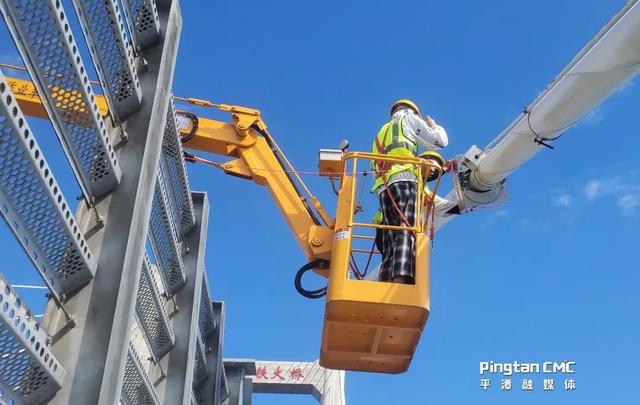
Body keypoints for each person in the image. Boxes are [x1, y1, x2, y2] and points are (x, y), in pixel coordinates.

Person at [371, 99, 448, 284]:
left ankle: (386, 281)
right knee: (407, 230)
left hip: (383, 188)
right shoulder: (408, 119)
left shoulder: (381, 133)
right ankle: (401, 280)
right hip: (403, 179)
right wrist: (433, 125)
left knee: (391, 240)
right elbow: (440, 141)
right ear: (413, 112)